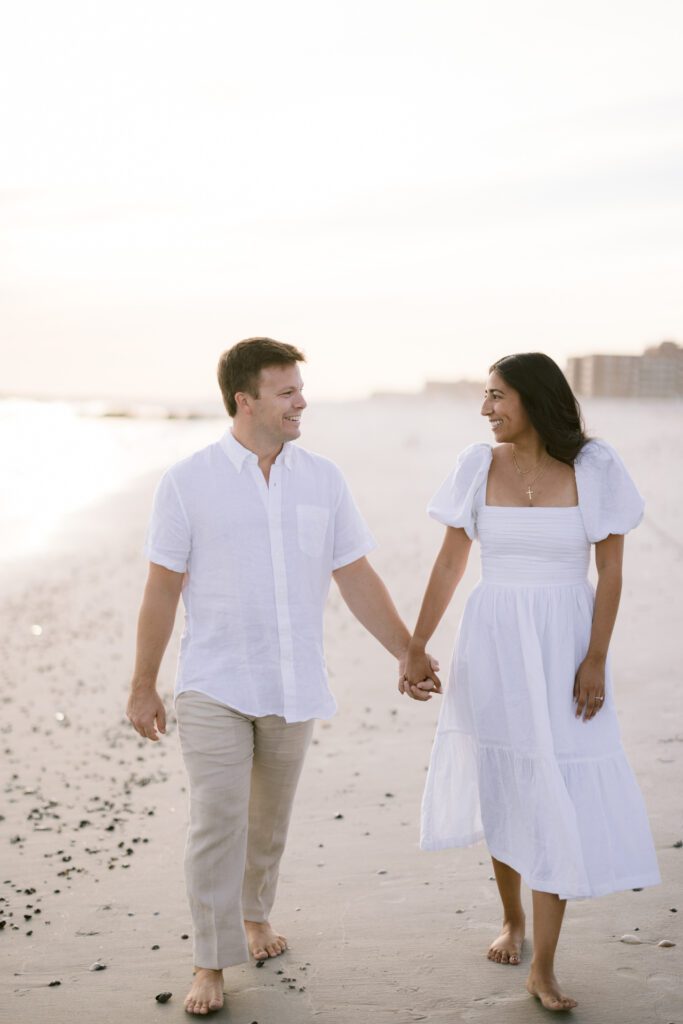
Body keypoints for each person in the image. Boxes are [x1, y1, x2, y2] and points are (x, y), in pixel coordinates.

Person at [126, 337, 438, 1016]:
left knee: (267, 823)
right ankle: (210, 962)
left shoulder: (322, 480)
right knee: (217, 819)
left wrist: (406, 650)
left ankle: (255, 914)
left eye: (300, 389)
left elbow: (353, 575)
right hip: (213, 679)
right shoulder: (188, 480)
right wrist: (143, 683)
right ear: (246, 401)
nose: (302, 402)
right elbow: (161, 588)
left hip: (293, 680)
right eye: (287, 391)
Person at [401, 352, 660, 1013]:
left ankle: (541, 967)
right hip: (492, 642)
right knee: (507, 779)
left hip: (564, 642)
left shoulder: (594, 467)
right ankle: (511, 919)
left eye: (496, 396)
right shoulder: (473, 466)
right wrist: (416, 643)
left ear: (533, 400)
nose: (485, 409)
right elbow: (450, 563)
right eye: (484, 397)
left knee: (558, 789)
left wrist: (595, 657)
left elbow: (612, 574)